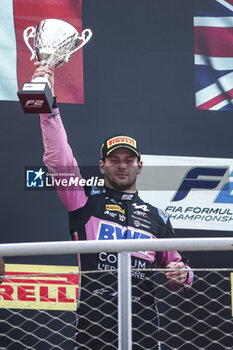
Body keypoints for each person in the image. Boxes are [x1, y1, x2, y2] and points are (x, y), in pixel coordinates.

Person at [33, 62, 193, 350]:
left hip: (143, 334)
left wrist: (183, 274)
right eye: (114, 160)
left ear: (139, 166)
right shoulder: (83, 202)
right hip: (94, 332)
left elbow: (177, 272)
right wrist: (48, 109)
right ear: (102, 165)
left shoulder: (157, 217)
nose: (122, 165)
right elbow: (58, 159)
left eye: (128, 160)